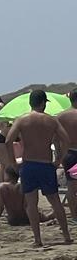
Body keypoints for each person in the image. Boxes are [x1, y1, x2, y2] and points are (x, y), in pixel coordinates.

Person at [5, 90, 72, 247]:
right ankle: (66, 237)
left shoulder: (21, 120)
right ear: (43, 103)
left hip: (29, 164)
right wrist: (59, 160)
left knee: (31, 203)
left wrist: (12, 162)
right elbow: (66, 141)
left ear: (30, 103)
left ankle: (37, 239)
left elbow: (8, 140)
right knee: (55, 201)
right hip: (46, 164)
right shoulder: (51, 120)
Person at [56, 89, 77, 221]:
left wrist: (59, 155)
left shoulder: (60, 116)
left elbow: (55, 139)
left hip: (68, 153)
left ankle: (74, 217)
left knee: (71, 187)